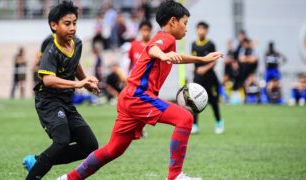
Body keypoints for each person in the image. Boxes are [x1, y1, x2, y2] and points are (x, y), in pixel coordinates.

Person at [57, 1, 223, 179]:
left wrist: (202, 59)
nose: (186, 28)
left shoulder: (167, 40)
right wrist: (163, 55)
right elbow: (153, 49)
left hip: (129, 98)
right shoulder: (165, 38)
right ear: (173, 21)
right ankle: (175, 176)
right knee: (185, 118)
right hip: (139, 96)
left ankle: (68, 178)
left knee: (113, 149)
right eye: (185, 23)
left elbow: (176, 57)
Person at [22, 1, 100, 179]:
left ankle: (38, 160)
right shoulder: (51, 50)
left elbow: (75, 63)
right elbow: (48, 80)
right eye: (67, 23)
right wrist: (77, 84)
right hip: (48, 102)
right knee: (62, 141)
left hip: (66, 102)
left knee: (90, 145)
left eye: (74, 23)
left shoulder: (77, 43)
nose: (72, 28)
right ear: (54, 25)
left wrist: (86, 82)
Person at [190, 21, 224, 134]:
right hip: (198, 78)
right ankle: (194, 125)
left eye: (203, 29)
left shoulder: (210, 44)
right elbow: (194, 59)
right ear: (196, 30)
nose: (201, 31)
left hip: (210, 77)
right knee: (194, 101)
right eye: (199, 29)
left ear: (207, 30)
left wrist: (205, 68)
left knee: (213, 101)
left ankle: (219, 122)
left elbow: (214, 61)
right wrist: (194, 69)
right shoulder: (193, 44)